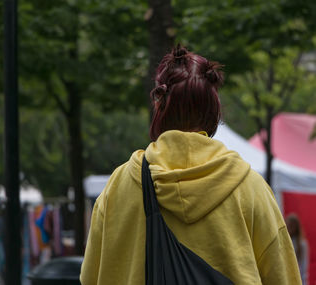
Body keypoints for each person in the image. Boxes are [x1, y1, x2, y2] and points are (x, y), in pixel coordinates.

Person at [80, 45, 301, 284]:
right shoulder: (250, 189)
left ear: (159, 105)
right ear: (213, 111)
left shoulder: (117, 189)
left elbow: (90, 277)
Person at [286, 214, 309, 284]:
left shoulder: (302, 244)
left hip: (298, 279)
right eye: (288, 225)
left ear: (296, 227)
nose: (290, 228)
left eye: (292, 226)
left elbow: (303, 266)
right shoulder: (284, 242)